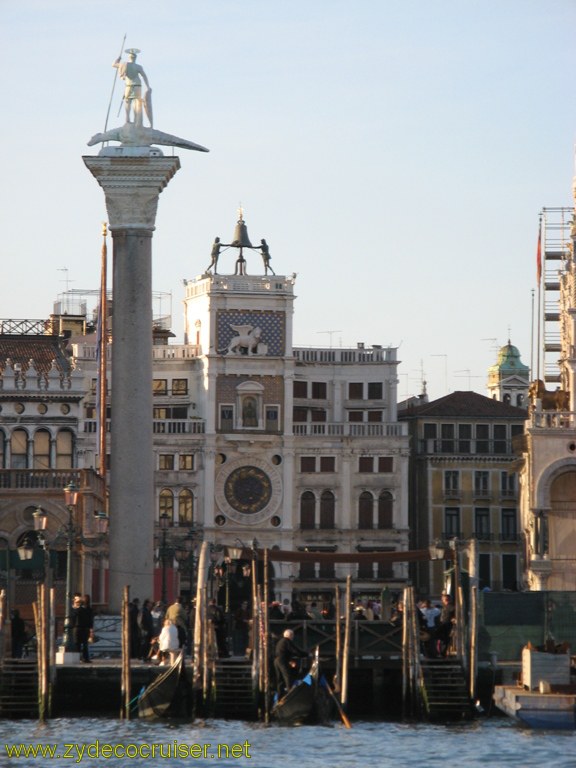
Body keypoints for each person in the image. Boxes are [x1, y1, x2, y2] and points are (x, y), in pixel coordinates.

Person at [113, 48, 152, 127]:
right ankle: (135, 119)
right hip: (137, 85)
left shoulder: (123, 65)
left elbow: (113, 64)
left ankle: (128, 119)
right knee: (136, 102)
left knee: (128, 101)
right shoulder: (138, 67)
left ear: (129, 57)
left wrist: (118, 59)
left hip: (128, 86)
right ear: (135, 58)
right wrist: (148, 86)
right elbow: (144, 76)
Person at [274, 628, 308, 697]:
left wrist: (290, 661)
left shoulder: (281, 641)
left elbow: (283, 652)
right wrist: (305, 654)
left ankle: (279, 696)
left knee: (280, 679)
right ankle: (290, 694)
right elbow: (295, 651)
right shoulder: (287, 641)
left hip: (276, 661)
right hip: (282, 661)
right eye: (292, 636)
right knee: (288, 677)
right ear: (290, 635)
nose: (293, 637)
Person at [72, 594, 93, 663]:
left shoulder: (78, 609)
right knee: (85, 644)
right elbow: (91, 620)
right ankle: (85, 658)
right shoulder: (89, 610)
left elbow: (73, 617)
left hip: (78, 628)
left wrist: (75, 606)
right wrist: (91, 629)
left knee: (77, 644)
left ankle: (78, 658)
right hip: (86, 628)